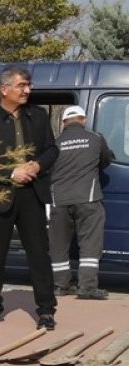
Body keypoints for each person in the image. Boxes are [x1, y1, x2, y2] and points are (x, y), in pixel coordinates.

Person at [0, 66, 59, 330]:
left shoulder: (39, 117)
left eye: (29, 85)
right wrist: (12, 172)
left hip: (32, 196)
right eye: (22, 85)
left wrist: (38, 166)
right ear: (4, 89)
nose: (27, 90)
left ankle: (46, 311)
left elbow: (52, 149)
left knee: (39, 254)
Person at [48, 105, 115, 300]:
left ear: (63, 123)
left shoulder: (55, 142)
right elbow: (106, 160)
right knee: (90, 244)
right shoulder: (95, 138)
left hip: (58, 200)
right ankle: (87, 287)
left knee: (58, 244)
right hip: (88, 198)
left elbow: (47, 168)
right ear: (83, 120)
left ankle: (60, 286)